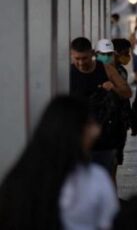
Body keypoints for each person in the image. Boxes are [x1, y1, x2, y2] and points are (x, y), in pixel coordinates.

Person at [0, 95, 119, 230]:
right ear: (77, 132)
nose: (96, 131)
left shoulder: (17, 180)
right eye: (89, 124)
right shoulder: (95, 179)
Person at [70, 37, 132, 177]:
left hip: (104, 138)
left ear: (92, 54)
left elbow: (127, 92)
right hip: (79, 138)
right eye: (76, 58)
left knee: (105, 176)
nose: (80, 63)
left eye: (84, 58)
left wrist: (113, 88)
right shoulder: (67, 73)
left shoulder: (106, 69)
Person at [112, 38, 133, 173]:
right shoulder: (107, 71)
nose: (128, 57)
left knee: (117, 159)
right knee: (112, 158)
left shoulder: (121, 70)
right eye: (125, 53)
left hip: (121, 120)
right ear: (116, 53)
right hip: (113, 120)